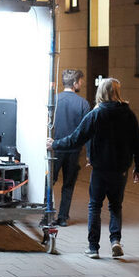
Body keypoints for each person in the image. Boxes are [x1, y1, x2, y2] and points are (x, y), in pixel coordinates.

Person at [47, 77, 139, 259]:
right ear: (117, 92)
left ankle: (93, 248)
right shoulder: (128, 114)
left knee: (95, 206)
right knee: (116, 206)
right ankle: (115, 241)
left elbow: (77, 138)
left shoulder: (96, 114)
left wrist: (55, 144)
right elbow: (137, 142)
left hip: (100, 168)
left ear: (101, 92)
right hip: (120, 169)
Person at [49, 69, 91, 227]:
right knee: (68, 184)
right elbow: (87, 131)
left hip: (55, 149)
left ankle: (47, 214)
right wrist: (89, 153)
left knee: (49, 183)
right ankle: (63, 217)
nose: (81, 83)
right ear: (74, 83)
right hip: (74, 151)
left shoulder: (53, 100)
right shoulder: (83, 103)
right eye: (80, 81)